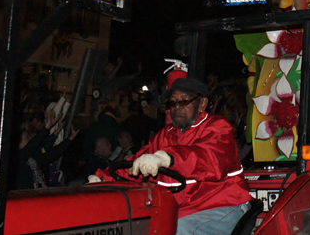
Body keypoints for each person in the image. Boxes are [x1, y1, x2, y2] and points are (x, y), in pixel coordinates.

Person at [90, 77, 252, 235]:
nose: (177, 107)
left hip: (221, 207)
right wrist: (103, 179)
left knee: (177, 229)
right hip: (180, 210)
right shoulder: (166, 135)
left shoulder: (217, 127)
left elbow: (210, 159)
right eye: (173, 102)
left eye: (184, 101)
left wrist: (168, 158)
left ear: (202, 103)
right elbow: (136, 163)